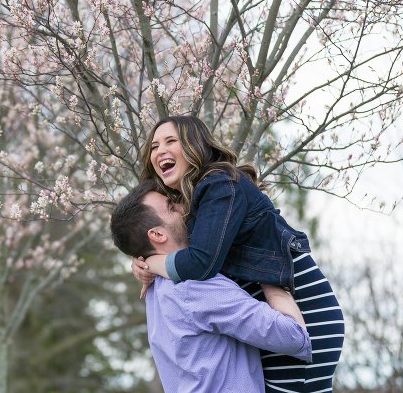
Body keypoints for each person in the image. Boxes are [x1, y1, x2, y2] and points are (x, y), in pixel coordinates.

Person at [132, 115, 344, 393]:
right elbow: (166, 241)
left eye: (171, 141)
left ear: (195, 147)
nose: (160, 151)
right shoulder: (196, 201)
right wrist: (140, 261)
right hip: (274, 313)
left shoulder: (219, 184)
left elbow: (200, 263)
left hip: (301, 307)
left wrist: (154, 261)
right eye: (154, 146)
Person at [110, 179, 313, 393]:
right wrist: (267, 273)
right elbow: (293, 336)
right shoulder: (193, 287)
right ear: (158, 235)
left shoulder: (155, 287)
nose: (183, 207)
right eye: (171, 207)